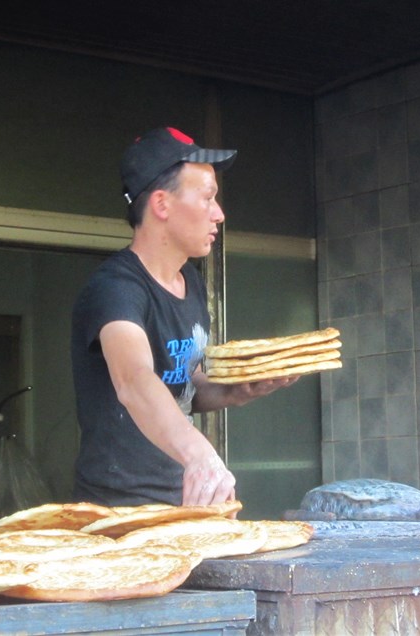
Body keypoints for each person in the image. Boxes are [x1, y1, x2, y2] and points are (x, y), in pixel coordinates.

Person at [71, 127, 296, 507]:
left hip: (185, 500)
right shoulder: (116, 288)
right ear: (162, 205)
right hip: (120, 509)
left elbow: (183, 386)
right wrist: (200, 454)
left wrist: (238, 388)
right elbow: (135, 379)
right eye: (208, 198)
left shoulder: (190, 281)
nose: (220, 214)